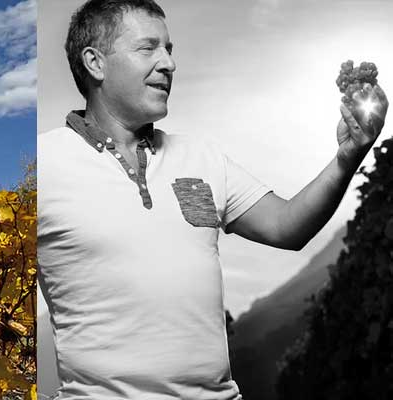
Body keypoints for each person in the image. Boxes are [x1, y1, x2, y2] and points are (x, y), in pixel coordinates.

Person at [37, 0, 388, 399]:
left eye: (169, 49)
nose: (168, 63)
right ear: (95, 63)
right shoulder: (43, 164)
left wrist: (348, 156)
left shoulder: (203, 157)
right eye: (148, 48)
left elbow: (286, 226)